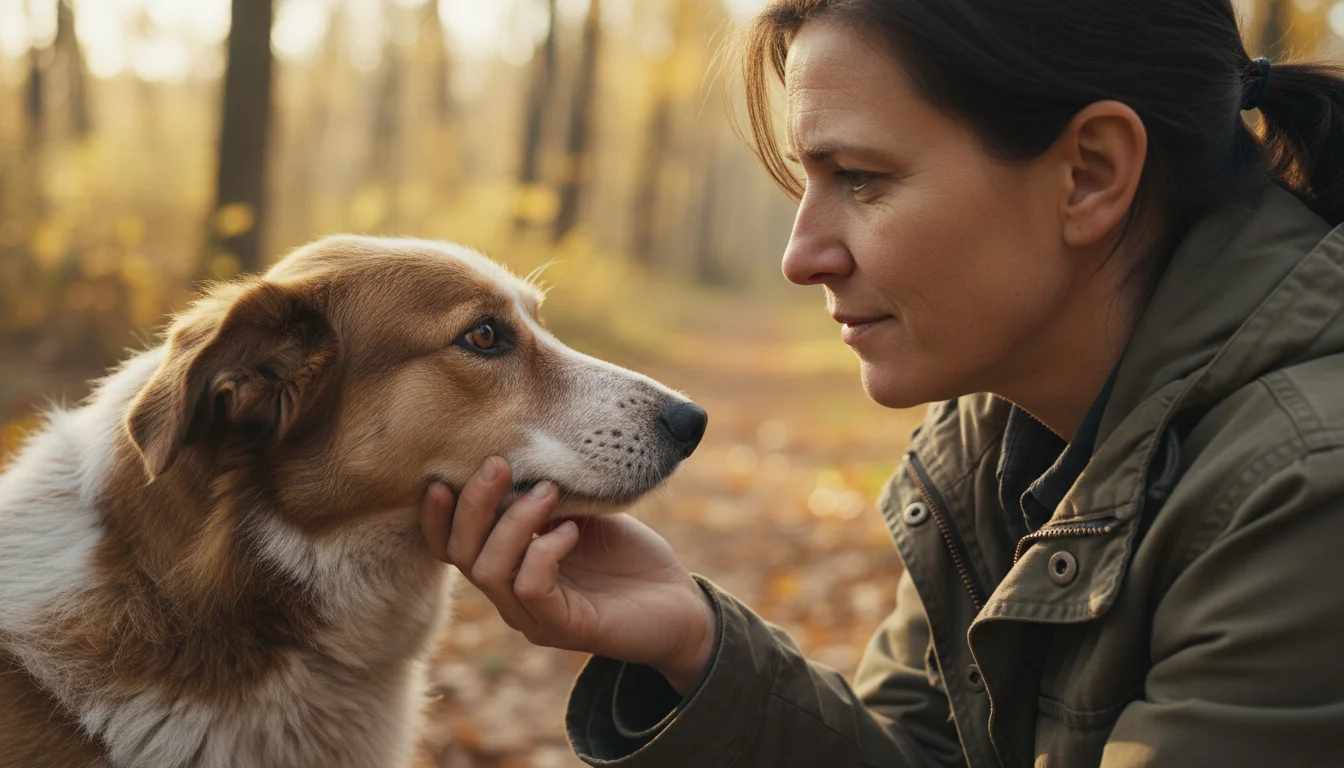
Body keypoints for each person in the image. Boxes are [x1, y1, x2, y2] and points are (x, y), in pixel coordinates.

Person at [418, 0, 1344, 765]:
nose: (801, 255)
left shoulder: (1305, 491)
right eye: (805, 183)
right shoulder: (998, 440)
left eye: (859, 178)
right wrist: (695, 643)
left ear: (1090, 174)